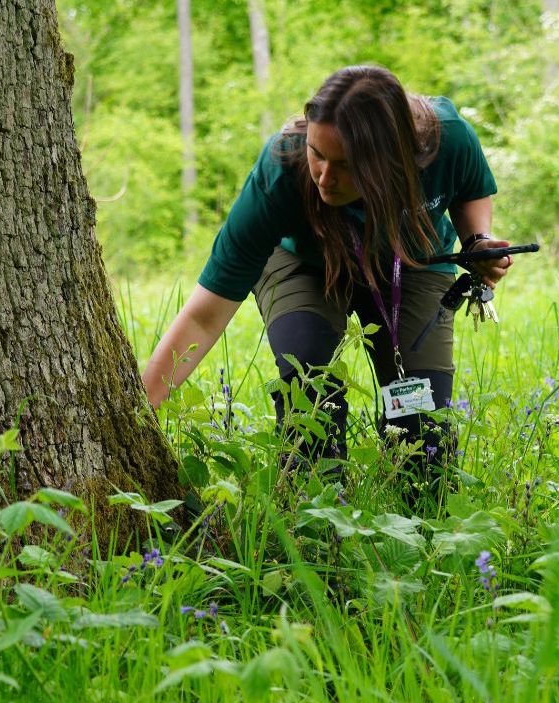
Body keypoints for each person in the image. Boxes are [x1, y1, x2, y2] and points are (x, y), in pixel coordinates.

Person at [139, 65, 516, 506]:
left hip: (411, 262)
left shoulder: (446, 137)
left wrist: (477, 242)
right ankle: (316, 519)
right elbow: (204, 319)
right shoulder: (282, 168)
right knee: (309, 383)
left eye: (344, 165)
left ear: (391, 159)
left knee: (422, 423)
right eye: (318, 153)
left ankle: (418, 530)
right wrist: (138, 411)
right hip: (306, 264)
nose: (323, 176)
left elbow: (469, 188)